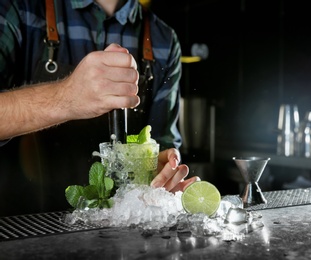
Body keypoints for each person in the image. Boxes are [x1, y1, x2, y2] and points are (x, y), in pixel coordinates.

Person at [0, 0, 198, 216]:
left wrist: (162, 173)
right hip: (21, 229)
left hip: (119, 236)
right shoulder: (19, 9)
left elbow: (161, 147)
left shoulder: (164, 41)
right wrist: (66, 97)